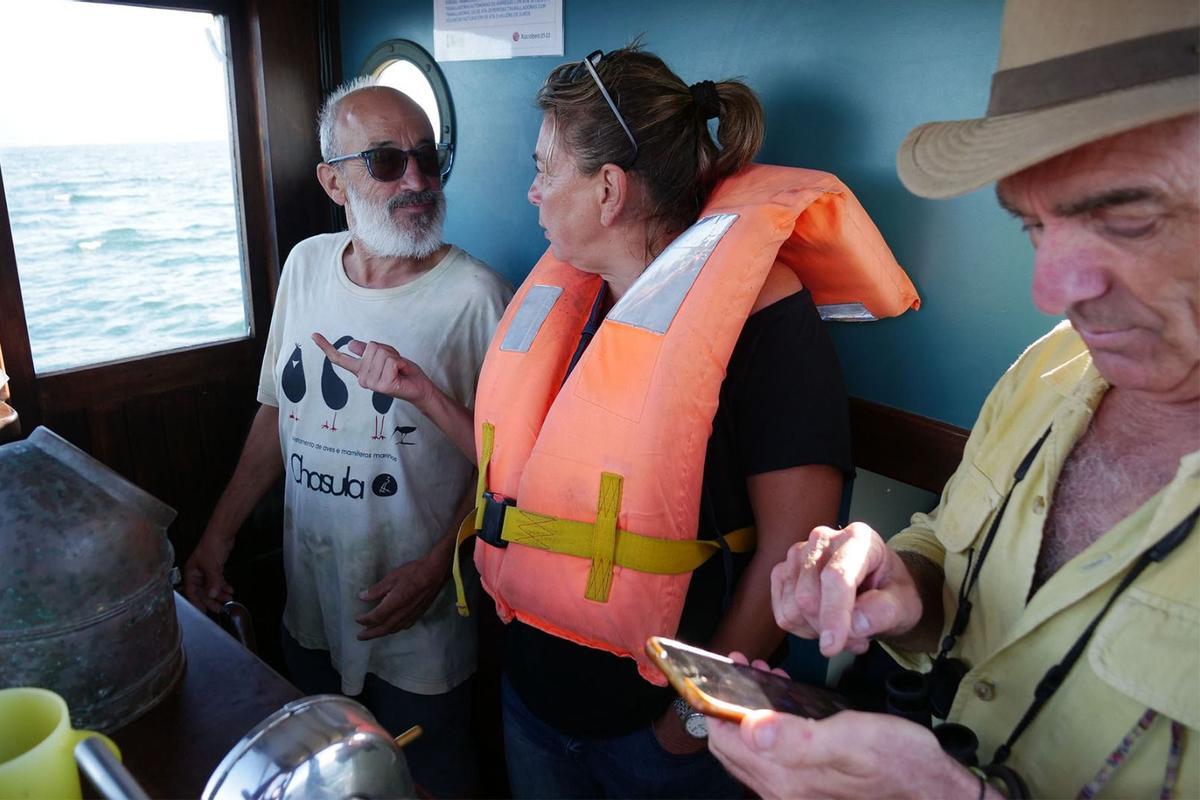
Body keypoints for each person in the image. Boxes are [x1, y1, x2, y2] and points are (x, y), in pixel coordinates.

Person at [319, 45, 919, 798]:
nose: (531, 193)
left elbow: (791, 547)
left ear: (608, 189)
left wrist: (691, 723)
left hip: (657, 736)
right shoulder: (571, 298)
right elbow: (535, 483)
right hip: (533, 699)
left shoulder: (763, 314)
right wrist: (425, 395)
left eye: (544, 168)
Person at [707, 1, 1199, 797]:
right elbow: (945, 541)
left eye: (1129, 215)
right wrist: (903, 581)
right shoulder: (1051, 369)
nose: (1052, 293)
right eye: (1032, 226)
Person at [182, 77, 512, 798]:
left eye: (429, 158)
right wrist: (217, 537)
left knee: (429, 781)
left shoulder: (477, 298)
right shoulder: (305, 267)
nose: (417, 180)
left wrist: (434, 567)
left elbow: (508, 470)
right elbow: (279, 414)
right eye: (388, 162)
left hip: (418, 619)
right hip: (314, 600)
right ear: (334, 181)